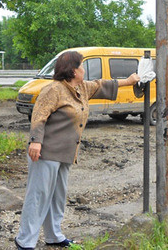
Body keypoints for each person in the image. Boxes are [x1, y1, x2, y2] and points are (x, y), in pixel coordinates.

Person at [14, 51, 140, 249]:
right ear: (72, 70)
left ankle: (54, 235)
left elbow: (100, 85)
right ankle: (25, 240)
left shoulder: (80, 88)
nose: (84, 69)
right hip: (45, 152)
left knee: (57, 197)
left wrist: (129, 81)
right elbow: (39, 116)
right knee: (38, 196)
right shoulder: (53, 90)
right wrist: (35, 141)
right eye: (81, 66)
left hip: (65, 153)